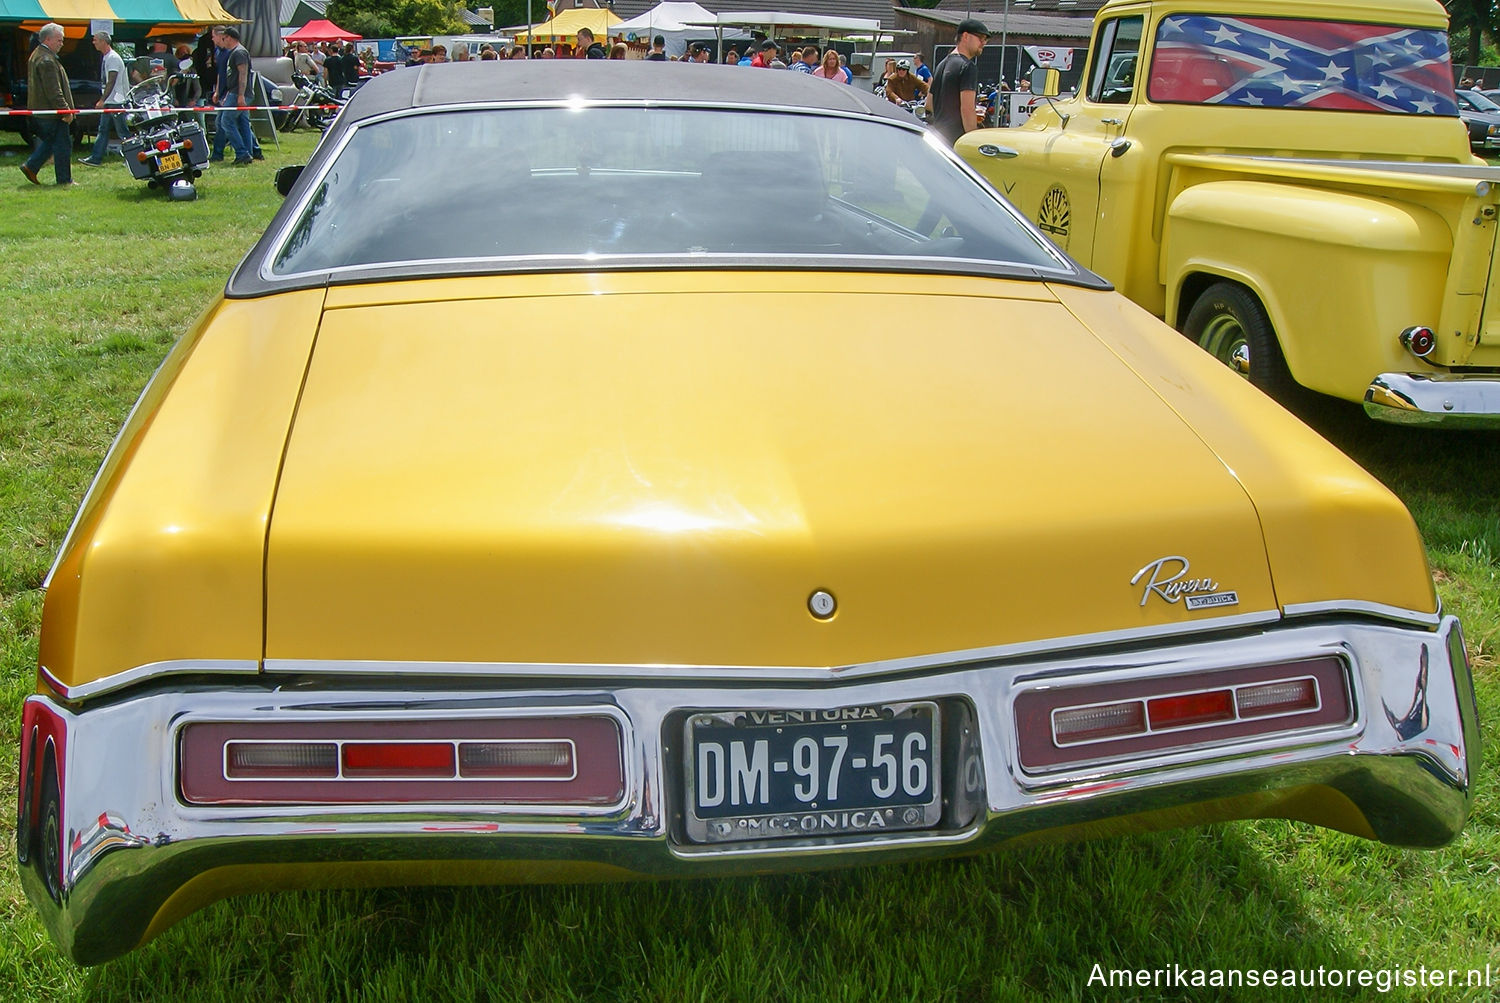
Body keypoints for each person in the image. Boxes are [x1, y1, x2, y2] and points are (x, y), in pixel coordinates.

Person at [20, 23, 75, 187]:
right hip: (51, 112)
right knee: (63, 144)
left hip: (43, 111)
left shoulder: (37, 55)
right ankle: (64, 180)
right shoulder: (46, 60)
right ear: (48, 39)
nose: (62, 44)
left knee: (52, 142)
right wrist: (66, 111)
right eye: (59, 40)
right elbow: (54, 91)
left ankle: (31, 166)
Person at [928, 18, 989, 145]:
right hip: (957, 142)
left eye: (985, 39)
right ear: (966, 36)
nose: (983, 43)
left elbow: (928, 104)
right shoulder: (967, 67)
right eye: (980, 38)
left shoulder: (941, 64)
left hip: (939, 140)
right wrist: (973, 142)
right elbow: (967, 109)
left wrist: (948, 116)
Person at [79, 31, 130, 167]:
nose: (93, 42)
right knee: (103, 130)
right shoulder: (107, 57)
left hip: (116, 102)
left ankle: (134, 157)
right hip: (111, 101)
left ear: (103, 42)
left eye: (95, 40)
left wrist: (102, 100)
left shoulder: (112, 58)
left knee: (122, 132)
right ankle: (96, 158)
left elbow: (111, 81)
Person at [214, 26, 256, 165]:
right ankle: (248, 153)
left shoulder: (239, 53)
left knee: (226, 122)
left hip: (239, 93)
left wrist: (240, 95)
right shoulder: (234, 52)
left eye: (224, 38)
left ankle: (242, 153)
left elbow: (243, 75)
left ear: (230, 38)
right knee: (243, 123)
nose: (223, 41)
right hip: (233, 93)